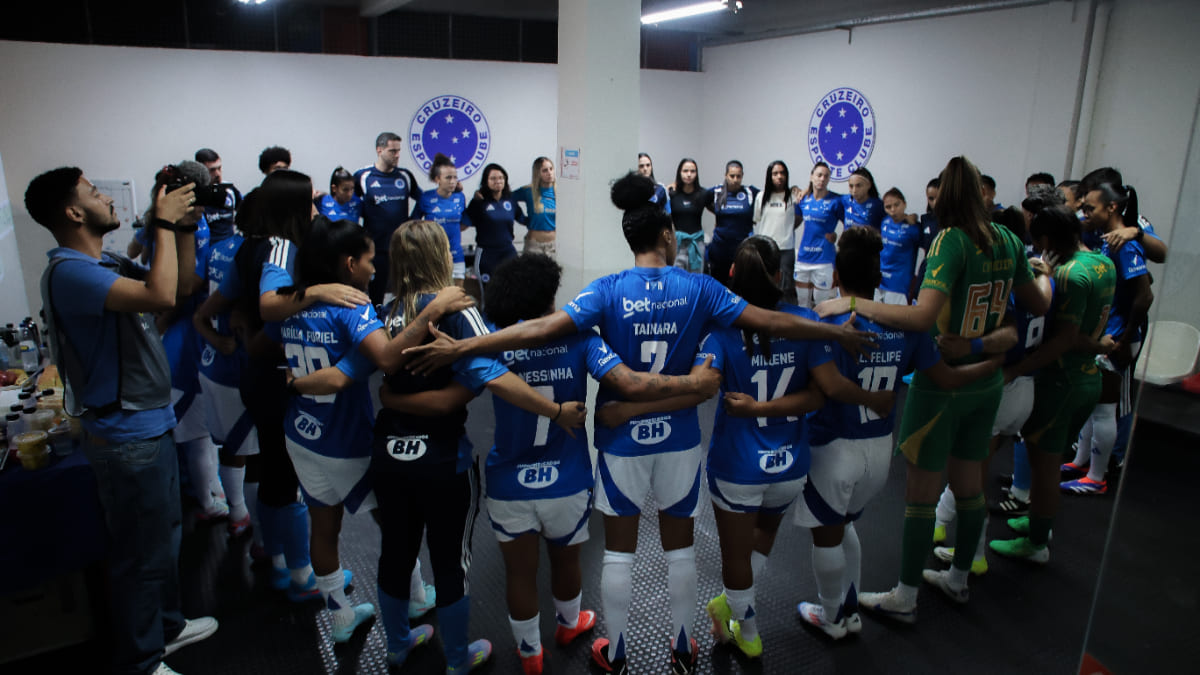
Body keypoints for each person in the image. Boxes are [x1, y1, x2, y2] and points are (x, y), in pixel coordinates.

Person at [403, 172, 875, 674]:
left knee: (620, 554)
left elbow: (540, 327)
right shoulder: (701, 288)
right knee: (680, 548)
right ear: (668, 235)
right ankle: (683, 645)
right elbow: (774, 320)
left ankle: (620, 649)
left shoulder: (606, 291)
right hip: (680, 439)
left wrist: (467, 345)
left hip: (622, 441)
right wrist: (832, 330)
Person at [816, 156, 1049, 621]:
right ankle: (959, 578)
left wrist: (853, 302)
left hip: (942, 384)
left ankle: (904, 596)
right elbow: (1039, 302)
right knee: (970, 486)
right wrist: (1043, 270)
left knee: (921, 496)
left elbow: (922, 318)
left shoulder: (950, 241)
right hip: (985, 381)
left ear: (945, 196)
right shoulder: (1006, 238)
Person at [480, 252, 720, 674]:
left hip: (508, 481)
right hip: (569, 480)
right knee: (580, 559)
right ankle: (577, 625)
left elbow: (461, 384)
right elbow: (625, 382)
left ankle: (534, 655)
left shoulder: (495, 346)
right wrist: (693, 385)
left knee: (524, 573)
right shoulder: (583, 340)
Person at [29, 166, 217, 675]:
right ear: (73, 213)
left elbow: (180, 288)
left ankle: (169, 627)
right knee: (139, 554)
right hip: (126, 434)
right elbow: (158, 297)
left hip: (148, 423)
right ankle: (142, 658)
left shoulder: (104, 261)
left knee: (164, 537)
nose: (107, 200)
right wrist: (159, 219)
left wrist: (179, 227)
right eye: (94, 193)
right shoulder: (72, 272)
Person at [796, 227, 1004, 638]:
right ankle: (849, 610)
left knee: (826, 536)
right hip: (880, 449)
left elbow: (814, 384)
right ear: (878, 278)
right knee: (846, 526)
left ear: (835, 276)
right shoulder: (909, 326)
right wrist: (990, 365)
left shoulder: (825, 322)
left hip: (834, 447)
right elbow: (943, 377)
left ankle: (832, 615)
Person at [685, 235, 888, 656]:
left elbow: (701, 384)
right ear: (780, 276)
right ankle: (731, 607)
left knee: (735, 556)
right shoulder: (805, 324)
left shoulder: (720, 331)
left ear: (731, 276)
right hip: (790, 467)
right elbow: (819, 396)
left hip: (738, 466)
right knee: (763, 537)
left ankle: (750, 632)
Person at [990, 205, 1115, 563]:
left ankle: (1037, 543)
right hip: (1085, 377)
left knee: (1045, 468)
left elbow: (1065, 338)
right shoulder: (1101, 264)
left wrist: (1017, 370)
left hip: (1062, 381)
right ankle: (1035, 523)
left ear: (1044, 240)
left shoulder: (1070, 276)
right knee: (1044, 457)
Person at [1060, 181, 1153, 494]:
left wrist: (1125, 339)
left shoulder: (1125, 244)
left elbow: (1144, 295)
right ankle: (1081, 461)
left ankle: (1097, 478)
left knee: (1104, 409)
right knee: (1093, 403)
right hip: (1107, 331)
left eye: (1091, 208)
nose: (1085, 214)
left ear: (1111, 207)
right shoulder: (1106, 241)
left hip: (1118, 336)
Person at [193, 191, 260, 538]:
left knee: (230, 446)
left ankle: (237, 511)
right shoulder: (254, 256)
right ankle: (248, 521)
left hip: (213, 358)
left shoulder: (218, 248)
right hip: (239, 363)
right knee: (252, 453)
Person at [355, 132, 420, 304]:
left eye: (398, 151)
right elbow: (349, 203)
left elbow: (424, 200)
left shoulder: (404, 176)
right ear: (379, 150)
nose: (397, 155)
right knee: (376, 295)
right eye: (392, 151)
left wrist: (411, 222)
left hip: (402, 247)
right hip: (376, 248)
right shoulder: (363, 176)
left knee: (405, 294)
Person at [462, 163, 524, 294]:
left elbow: (523, 219)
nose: (498, 181)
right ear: (486, 181)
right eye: (493, 178)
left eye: (501, 178)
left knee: (513, 291)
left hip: (508, 252)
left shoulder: (510, 200)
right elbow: (463, 224)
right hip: (486, 254)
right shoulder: (478, 202)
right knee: (488, 292)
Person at [413, 153, 468, 286]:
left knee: (457, 295)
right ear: (437, 179)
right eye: (448, 178)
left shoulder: (460, 197)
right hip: (432, 256)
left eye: (455, 177)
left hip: (456, 255)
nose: (452, 181)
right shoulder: (425, 198)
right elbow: (413, 224)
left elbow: (463, 223)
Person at [793, 162, 843, 309]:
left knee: (821, 306)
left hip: (824, 261)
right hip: (803, 259)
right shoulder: (803, 200)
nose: (822, 179)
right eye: (819, 175)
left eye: (826, 176)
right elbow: (793, 224)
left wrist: (837, 237)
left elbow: (850, 223)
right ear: (812, 176)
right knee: (803, 304)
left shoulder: (836, 201)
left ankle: (820, 331)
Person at [704, 160, 759, 286]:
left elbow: (769, 194)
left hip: (742, 249)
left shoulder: (750, 192)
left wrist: (798, 190)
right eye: (732, 176)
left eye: (738, 176)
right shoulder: (716, 192)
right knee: (719, 286)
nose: (735, 179)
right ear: (726, 175)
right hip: (720, 249)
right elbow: (698, 195)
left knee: (741, 286)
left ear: (742, 176)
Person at [752, 160, 798, 298]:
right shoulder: (761, 196)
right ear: (769, 176)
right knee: (765, 284)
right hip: (766, 249)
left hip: (786, 249)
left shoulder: (793, 196)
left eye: (782, 173)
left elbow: (799, 217)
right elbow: (756, 220)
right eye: (775, 173)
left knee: (784, 288)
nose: (779, 176)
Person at [877, 187, 922, 304]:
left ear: (904, 204)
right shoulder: (884, 222)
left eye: (897, 205)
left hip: (898, 285)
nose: (893, 210)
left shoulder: (914, 228)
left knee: (891, 321)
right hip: (879, 280)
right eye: (888, 207)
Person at [512, 157, 557, 258]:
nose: (549, 173)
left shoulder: (561, 191)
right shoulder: (528, 191)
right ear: (537, 173)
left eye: (551, 169)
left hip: (555, 246)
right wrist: (521, 218)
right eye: (545, 170)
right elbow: (505, 197)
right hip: (534, 245)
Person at [195, 148, 241, 245]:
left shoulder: (230, 191)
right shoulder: (194, 195)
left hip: (228, 251)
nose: (217, 174)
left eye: (219, 168)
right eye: (212, 170)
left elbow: (247, 214)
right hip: (204, 250)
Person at [668, 158, 705, 273]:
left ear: (697, 173)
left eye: (692, 171)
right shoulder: (671, 194)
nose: (689, 174)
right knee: (677, 280)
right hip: (678, 243)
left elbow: (718, 210)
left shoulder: (703, 194)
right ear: (680, 172)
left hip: (697, 243)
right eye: (685, 171)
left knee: (696, 280)